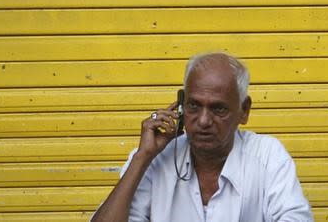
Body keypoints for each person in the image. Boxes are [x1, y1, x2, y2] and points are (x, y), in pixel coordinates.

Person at [91, 52, 314, 222]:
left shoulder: (267, 156)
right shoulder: (152, 160)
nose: (204, 120)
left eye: (218, 109)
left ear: (243, 111)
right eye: (194, 106)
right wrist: (142, 157)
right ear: (180, 105)